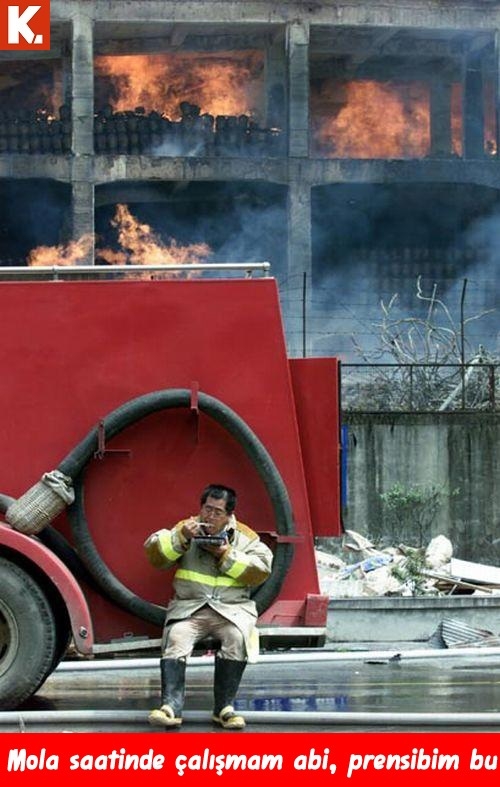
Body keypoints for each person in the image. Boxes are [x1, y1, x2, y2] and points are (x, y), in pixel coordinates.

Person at [144, 483, 273, 730]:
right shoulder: (187, 527)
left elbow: (261, 570)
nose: (210, 516)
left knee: (237, 638)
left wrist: (225, 554)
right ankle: (170, 707)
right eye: (207, 509)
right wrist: (181, 538)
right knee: (176, 637)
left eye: (217, 512)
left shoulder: (245, 537)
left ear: (229, 515)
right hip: (190, 609)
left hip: (230, 611)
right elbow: (155, 555)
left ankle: (224, 708)